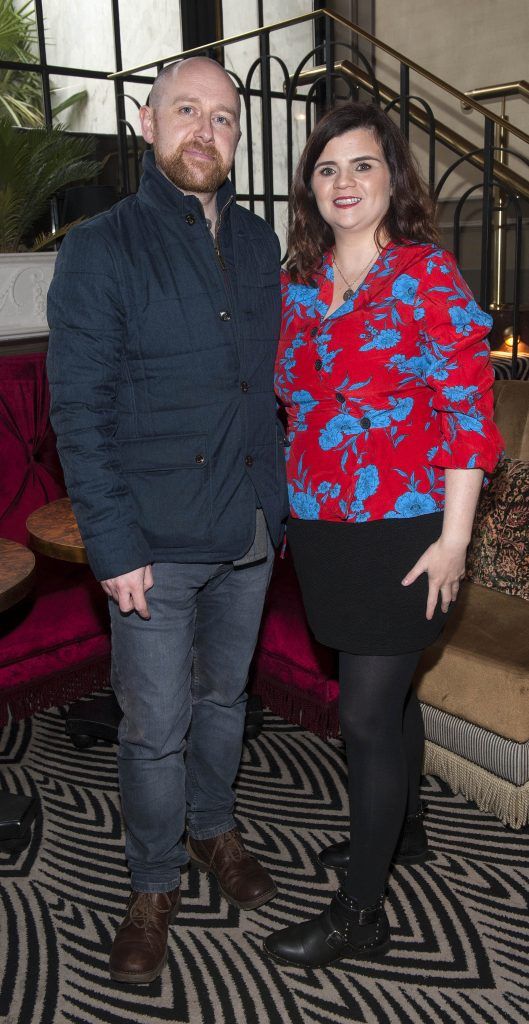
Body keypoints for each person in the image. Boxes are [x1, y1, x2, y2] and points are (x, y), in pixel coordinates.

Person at [47, 56, 287, 985]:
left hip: (251, 530)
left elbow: (267, 385)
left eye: (223, 118)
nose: (205, 130)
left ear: (236, 136)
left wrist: (282, 503)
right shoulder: (100, 246)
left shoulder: (263, 241)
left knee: (225, 703)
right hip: (150, 543)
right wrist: (111, 545)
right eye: (185, 111)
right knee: (155, 729)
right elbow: (81, 409)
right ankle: (152, 882)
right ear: (144, 125)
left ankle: (214, 830)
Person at [264, 101, 503, 968]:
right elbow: (290, 401)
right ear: (310, 189)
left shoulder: (426, 277)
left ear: (391, 179)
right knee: (391, 699)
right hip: (325, 530)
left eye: (361, 165)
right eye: (326, 169)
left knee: (363, 716)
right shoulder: (299, 282)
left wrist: (454, 541)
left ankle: (362, 911)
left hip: (408, 530)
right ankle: (403, 834)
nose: (343, 183)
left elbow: (469, 417)